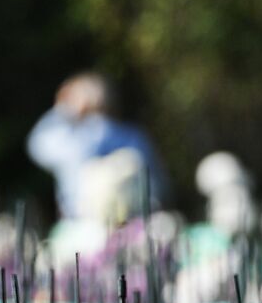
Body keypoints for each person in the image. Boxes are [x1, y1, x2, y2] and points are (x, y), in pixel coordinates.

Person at [26, 72, 168, 222]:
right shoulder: (134, 136)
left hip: (83, 226)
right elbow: (159, 186)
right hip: (135, 224)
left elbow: (36, 145)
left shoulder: (72, 140)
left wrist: (63, 110)